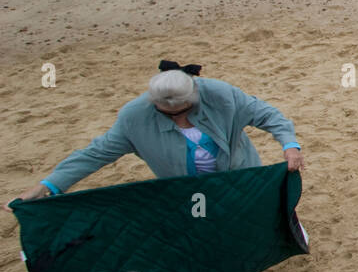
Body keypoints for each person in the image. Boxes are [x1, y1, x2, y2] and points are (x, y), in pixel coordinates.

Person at [5, 61, 302, 210]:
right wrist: (47, 186)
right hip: (186, 190)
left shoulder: (221, 94)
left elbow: (268, 115)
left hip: (241, 174)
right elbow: (95, 154)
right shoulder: (134, 118)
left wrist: (289, 146)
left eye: (185, 111)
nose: (179, 118)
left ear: (195, 94)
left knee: (260, 216)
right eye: (169, 114)